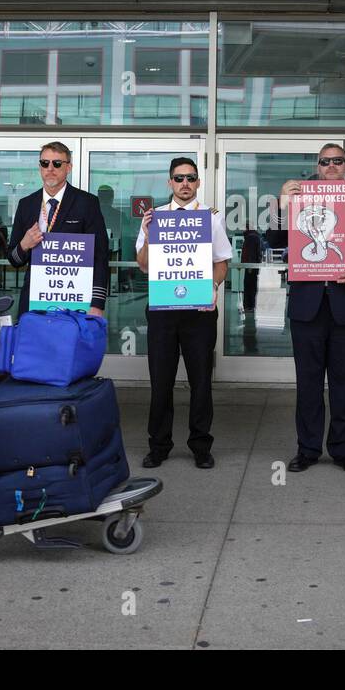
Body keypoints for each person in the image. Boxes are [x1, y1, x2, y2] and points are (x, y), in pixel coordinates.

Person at [267, 143, 345, 473]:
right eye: (325, 161)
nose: (332, 165)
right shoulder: (297, 202)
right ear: (317, 167)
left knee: (343, 381)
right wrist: (281, 205)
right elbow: (274, 242)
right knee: (308, 382)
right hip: (308, 307)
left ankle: (343, 449)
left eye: (338, 161)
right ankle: (307, 449)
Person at [135, 157, 233, 469]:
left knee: (201, 381)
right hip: (163, 310)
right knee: (160, 381)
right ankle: (159, 445)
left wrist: (214, 286)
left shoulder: (210, 218)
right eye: (179, 179)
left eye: (190, 178)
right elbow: (144, 265)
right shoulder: (155, 218)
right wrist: (150, 237)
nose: (185, 184)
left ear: (198, 182)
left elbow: (222, 261)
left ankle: (201, 445)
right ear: (170, 183)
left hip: (199, 311)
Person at [6, 141, 110, 318]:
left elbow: (100, 255)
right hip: (34, 301)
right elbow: (13, 259)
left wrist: (97, 302)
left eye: (57, 163)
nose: (50, 168)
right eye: (45, 163)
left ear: (68, 167)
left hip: (75, 301)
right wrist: (24, 244)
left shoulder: (87, 203)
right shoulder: (26, 204)